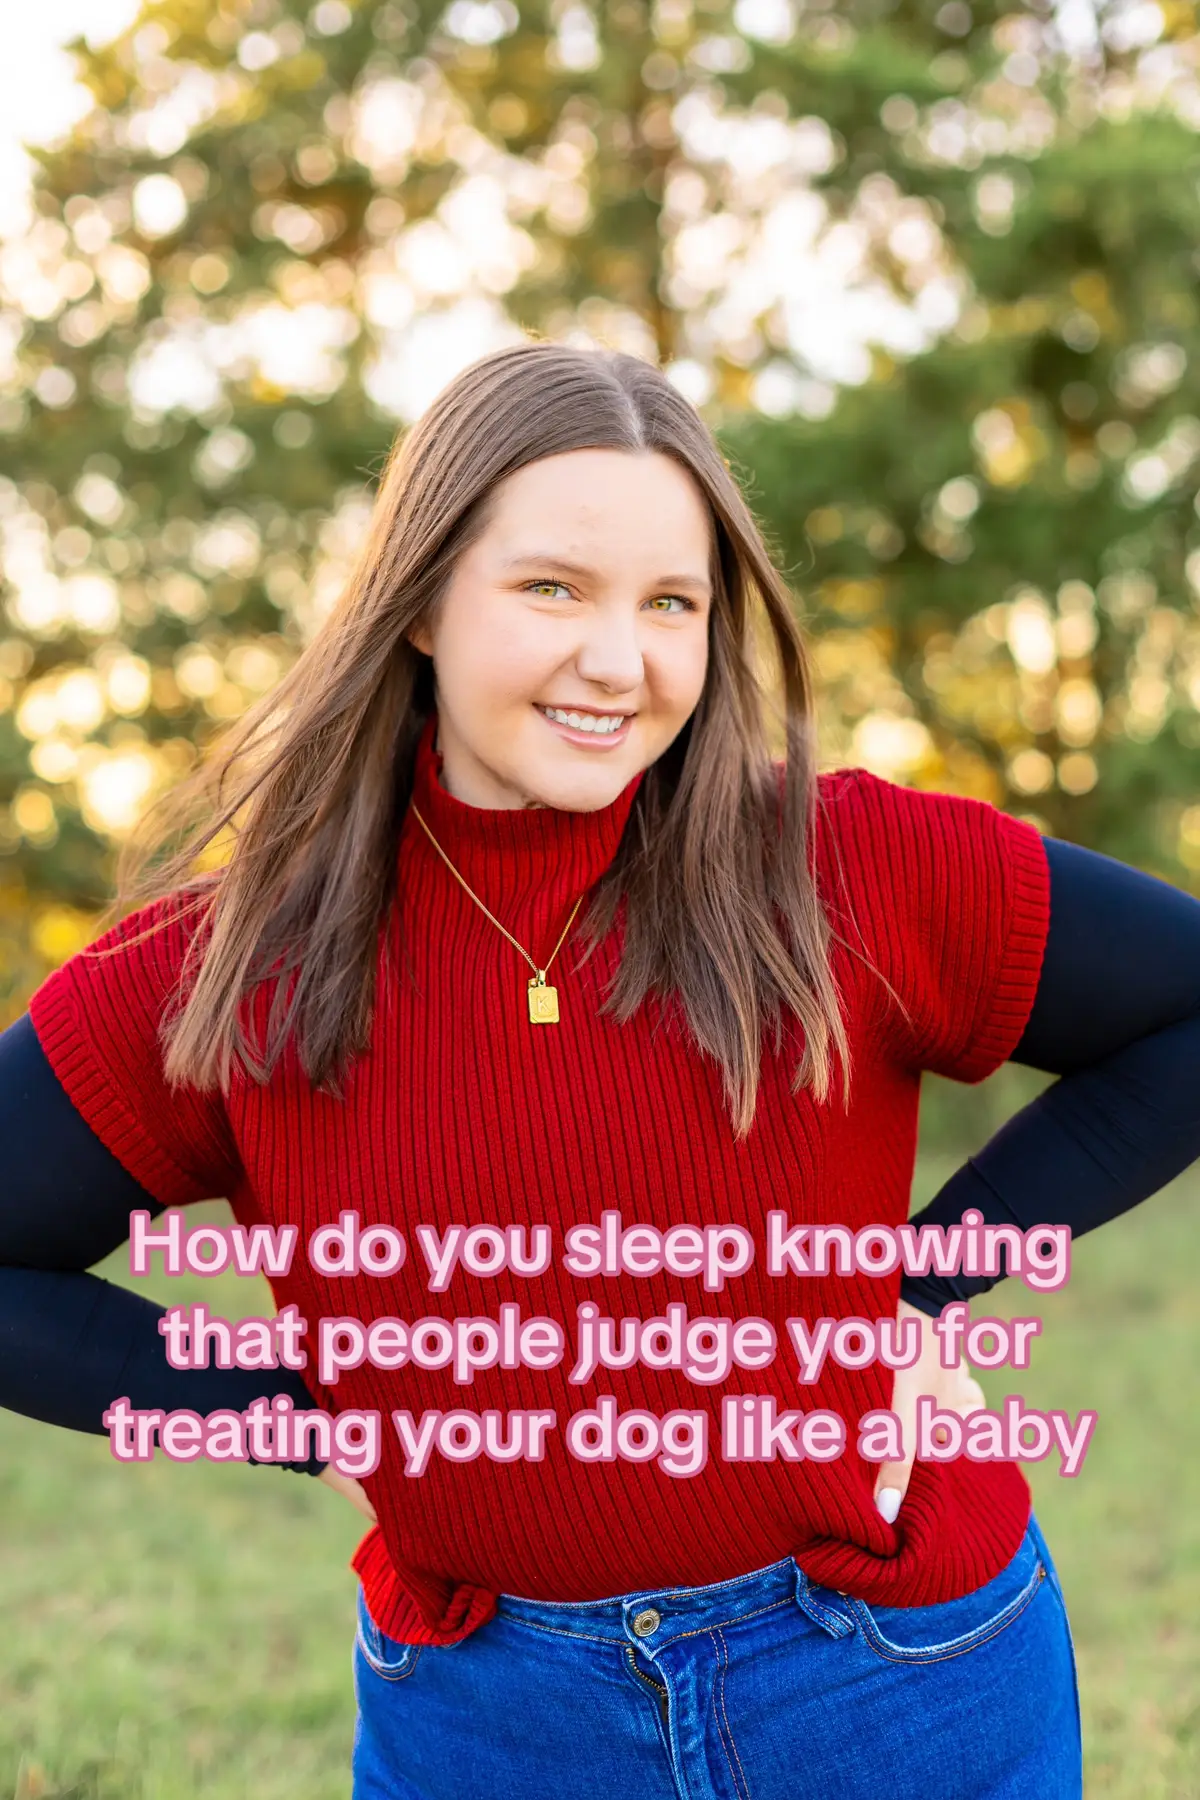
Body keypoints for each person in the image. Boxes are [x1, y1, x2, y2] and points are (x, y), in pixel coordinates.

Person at [4, 341, 1200, 1797]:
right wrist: (285, 1403)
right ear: (422, 602)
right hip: (492, 1721)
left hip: (896, 1681)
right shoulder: (228, 965)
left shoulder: (848, 869)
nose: (618, 661)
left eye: (672, 604)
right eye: (553, 588)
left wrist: (916, 1286)